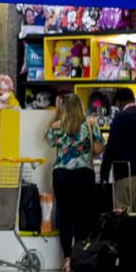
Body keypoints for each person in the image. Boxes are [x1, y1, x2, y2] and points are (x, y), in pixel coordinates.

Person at [46, 93, 102, 252]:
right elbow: (98, 149)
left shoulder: (58, 126)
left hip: (61, 175)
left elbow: (48, 138)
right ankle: (78, 256)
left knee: (64, 217)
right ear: (80, 107)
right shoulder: (90, 125)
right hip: (84, 174)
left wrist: (56, 113)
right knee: (82, 217)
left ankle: (67, 260)